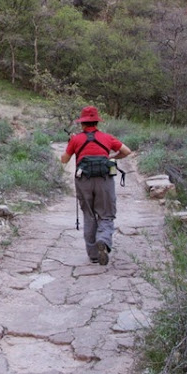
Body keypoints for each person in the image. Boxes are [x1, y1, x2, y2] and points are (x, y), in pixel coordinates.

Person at [60, 106, 131, 265]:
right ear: (97, 122)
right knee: (106, 214)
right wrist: (111, 156)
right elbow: (126, 151)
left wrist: (71, 143)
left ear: (82, 123)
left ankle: (93, 255)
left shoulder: (76, 139)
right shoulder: (107, 137)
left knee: (89, 215)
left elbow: (64, 160)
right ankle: (103, 240)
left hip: (83, 181)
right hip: (104, 180)